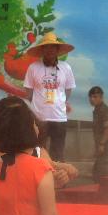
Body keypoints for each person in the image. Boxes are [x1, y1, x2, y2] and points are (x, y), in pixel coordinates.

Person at [0, 96, 79, 188]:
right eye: (13, 118)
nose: (19, 122)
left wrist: (59, 175)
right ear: (1, 122)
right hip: (0, 202)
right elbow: (24, 166)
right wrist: (56, 170)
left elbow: (46, 168)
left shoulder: (37, 149)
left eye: (23, 118)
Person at [23, 32, 76, 162]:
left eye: (53, 47)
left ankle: (58, 180)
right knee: (38, 151)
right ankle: (39, 179)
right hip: (39, 118)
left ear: (58, 50)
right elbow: (28, 92)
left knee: (58, 152)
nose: (50, 50)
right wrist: (37, 108)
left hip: (59, 118)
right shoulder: (33, 67)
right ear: (42, 50)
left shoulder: (66, 68)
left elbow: (68, 90)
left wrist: (60, 102)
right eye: (46, 47)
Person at [89, 86, 108, 182]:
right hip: (103, 148)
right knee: (97, 174)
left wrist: (102, 144)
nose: (92, 99)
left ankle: (107, 195)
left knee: (103, 176)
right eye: (91, 97)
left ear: (101, 98)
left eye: (95, 97)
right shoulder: (97, 110)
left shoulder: (104, 110)